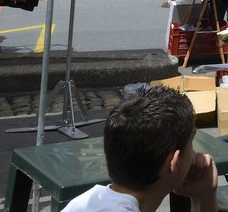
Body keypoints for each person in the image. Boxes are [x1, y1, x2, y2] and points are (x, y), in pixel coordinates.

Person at [61, 86, 219, 212]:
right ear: (174, 162)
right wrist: (203, 198)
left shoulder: (83, 203)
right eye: (191, 143)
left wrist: (203, 196)